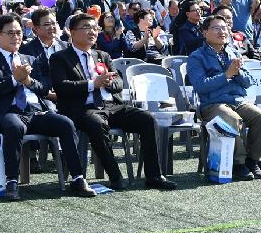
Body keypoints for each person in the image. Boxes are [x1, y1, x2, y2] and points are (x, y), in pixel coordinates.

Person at [50, 13, 176, 191]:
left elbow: (119, 82)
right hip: (84, 108)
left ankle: (154, 175)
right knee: (96, 123)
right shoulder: (60, 58)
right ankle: (115, 176)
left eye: (94, 28)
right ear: (72, 32)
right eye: (86, 27)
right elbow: (62, 87)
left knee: (147, 119)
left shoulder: (102, 55)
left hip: (111, 105)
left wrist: (108, 83)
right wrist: (93, 84)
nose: (92, 32)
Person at [0, 14, 96, 200]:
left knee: (65, 123)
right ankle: (12, 181)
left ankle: (77, 178)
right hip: (8, 112)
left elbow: (43, 88)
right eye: (10, 33)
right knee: (14, 126)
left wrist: (27, 81)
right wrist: (13, 80)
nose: (16, 37)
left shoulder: (30, 59)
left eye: (18, 33)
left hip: (35, 111)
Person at [187, 15, 261, 181]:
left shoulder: (233, 52)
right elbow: (200, 85)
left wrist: (237, 72)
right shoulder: (197, 56)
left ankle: (253, 161)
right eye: (216, 28)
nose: (222, 31)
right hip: (212, 104)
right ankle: (238, 163)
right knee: (232, 118)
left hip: (237, 100)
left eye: (224, 28)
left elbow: (248, 82)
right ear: (205, 33)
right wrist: (226, 75)